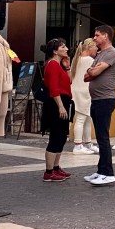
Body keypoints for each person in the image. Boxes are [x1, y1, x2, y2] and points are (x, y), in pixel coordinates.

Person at [84, 25, 115, 186]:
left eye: (97, 35)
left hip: (105, 99)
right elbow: (86, 76)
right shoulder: (100, 54)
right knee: (100, 137)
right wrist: (92, 70)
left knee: (103, 138)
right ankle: (101, 171)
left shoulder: (112, 53)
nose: (94, 38)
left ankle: (108, 173)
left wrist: (93, 70)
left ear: (105, 36)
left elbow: (93, 73)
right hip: (97, 99)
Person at [40, 38, 73, 182]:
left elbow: (69, 82)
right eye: (63, 47)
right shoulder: (52, 65)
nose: (66, 49)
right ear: (55, 51)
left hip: (63, 101)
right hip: (56, 103)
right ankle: (49, 172)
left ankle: (56, 167)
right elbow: (54, 88)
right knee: (56, 136)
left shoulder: (59, 65)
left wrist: (67, 67)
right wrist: (60, 106)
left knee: (61, 136)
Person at [70, 38, 97, 154]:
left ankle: (87, 143)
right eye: (95, 46)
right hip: (84, 92)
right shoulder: (89, 60)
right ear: (89, 47)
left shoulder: (76, 59)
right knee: (82, 119)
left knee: (85, 119)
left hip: (76, 91)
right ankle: (78, 145)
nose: (96, 49)